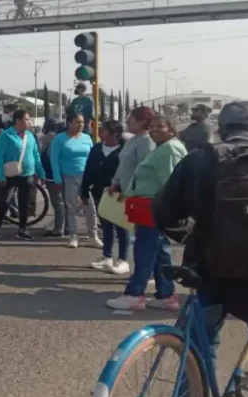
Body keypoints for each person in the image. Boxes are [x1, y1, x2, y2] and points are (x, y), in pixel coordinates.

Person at [153, 101, 248, 352]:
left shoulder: (201, 160)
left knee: (199, 347)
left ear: (220, 129)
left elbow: (163, 211)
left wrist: (190, 236)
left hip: (212, 271)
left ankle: (197, 389)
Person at [106, 116, 187, 312]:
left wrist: (165, 210)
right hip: (149, 207)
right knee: (159, 253)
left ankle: (134, 294)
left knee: (144, 252)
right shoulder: (164, 147)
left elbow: (169, 184)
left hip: (153, 208)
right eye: (151, 127)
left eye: (160, 126)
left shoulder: (169, 149)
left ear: (171, 128)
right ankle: (166, 295)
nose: (154, 130)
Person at [0, 110, 45, 241]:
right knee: (5, 202)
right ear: (18, 121)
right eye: (27, 119)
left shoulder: (30, 136)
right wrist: (1, 176)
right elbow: (0, 157)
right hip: (10, 174)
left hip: (27, 174)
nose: (29, 122)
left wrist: (41, 173)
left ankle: (22, 230)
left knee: (24, 204)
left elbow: (36, 156)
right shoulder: (6, 135)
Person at [82, 120, 129, 274]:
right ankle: (107, 257)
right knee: (106, 226)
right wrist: (84, 191)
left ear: (115, 134)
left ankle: (123, 260)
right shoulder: (96, 148)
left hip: (119, 193)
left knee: (122, 227)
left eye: (104, 130)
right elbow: (88, 169)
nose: (101, 132)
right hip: (99, 192)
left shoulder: (125, 149)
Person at [50, 112, 100, 248]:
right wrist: (57, 179)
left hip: (86, 177)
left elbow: (92, 158)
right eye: (77, 122)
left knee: (90, 207)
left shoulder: (87, 138)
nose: (80, 125)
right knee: (71, 207)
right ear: (69, 123)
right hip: (69, 177)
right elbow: (54, 160)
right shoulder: (59, 139)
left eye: (82, 122)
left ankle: (93, 236)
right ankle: (73, 236)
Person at [39, 118, 69, 238]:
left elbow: (51, 158)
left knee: (58, 203)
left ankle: (58, 229)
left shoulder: (54, 141)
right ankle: (66, 226)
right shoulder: (67, 141)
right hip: (65, 175)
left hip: (53, 176)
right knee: (65, 203)